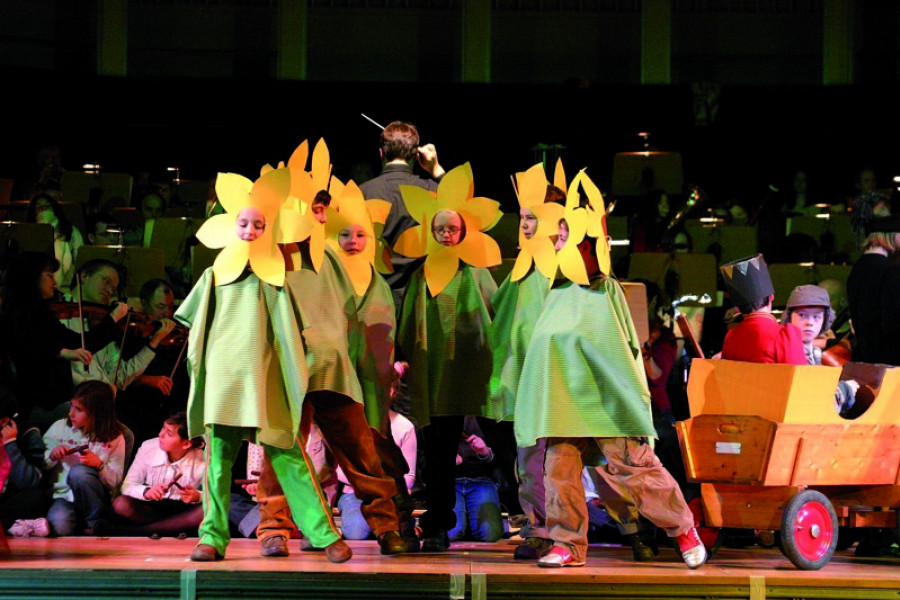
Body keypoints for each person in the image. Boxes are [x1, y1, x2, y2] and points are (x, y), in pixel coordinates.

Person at [514, 172, 706, 570]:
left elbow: (621, 351)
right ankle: (567, 543)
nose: (558, 243)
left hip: (602, 399)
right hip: (564, 402)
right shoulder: (555, 290)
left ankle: (683, 527)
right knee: (558, 469)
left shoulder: (605, 290)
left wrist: (628, 397)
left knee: (631, 466)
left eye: (566, 237)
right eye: (557, 236)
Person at [175, 167, 350, 563]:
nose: (251, 230)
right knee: (217, 462)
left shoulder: (274, 279)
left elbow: (288, 338)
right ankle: (212, 536)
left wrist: (291, 383)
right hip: (224, 383)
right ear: (231, 226)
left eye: (259, 225)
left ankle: (324, 535)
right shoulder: (214, 275)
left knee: (288, 454)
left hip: (263, 383)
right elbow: (195, 328)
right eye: (244, 223)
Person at [255, 145, 409, 558]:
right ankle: (273, 527)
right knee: (283, 450)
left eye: (324, 208)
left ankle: (386, 525)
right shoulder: (272, 258)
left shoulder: (333, 259)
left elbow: (352, 316)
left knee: (361, 451)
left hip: (333, 370)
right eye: (312, 207)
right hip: (289, 370)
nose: (320, 216)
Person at [396, 164, 502, 552]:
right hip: (438, 378)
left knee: (502, 440)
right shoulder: (423, 273)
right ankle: (438, 524)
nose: (445, 234)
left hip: (474, 373)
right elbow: (409, 325)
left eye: (451, 228)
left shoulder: (476, 271)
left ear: (463, 232)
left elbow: (498, 311)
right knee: (438, 452)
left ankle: (534, 517)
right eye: (439, 229)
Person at [487, 163, 564, 561]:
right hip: (531, 385)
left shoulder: (570, 271)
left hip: (566, 383)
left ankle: (635, 525)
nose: (527, 226)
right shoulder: (521, 271)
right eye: (524, 219)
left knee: (583, 465)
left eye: (534, 219)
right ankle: (539, 529)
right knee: (531, 461)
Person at [0, 252, 127, 429]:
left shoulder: (43, 313)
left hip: (60, 397)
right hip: (39, 402)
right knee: (114, 430)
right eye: (49, 276)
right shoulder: (17, 315)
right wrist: (62, 352)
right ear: (31, 277)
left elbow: (78, 342)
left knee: (121, 430)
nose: (55, 283)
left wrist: (112, 320)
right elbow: (27, 347)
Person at [359, 120, 445, 313]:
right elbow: (466, 217)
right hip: (421, 304)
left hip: (374, 302)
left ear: (381, 153)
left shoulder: (361, 194)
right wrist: (436, 170)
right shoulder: (433, 191)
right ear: (417, 155)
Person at [43, 381, 126, 536]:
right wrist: (52, 456)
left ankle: (96, 523)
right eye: (71, 406)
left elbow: (115, 481)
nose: (71, 413)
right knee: (60, 527)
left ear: (96, 413)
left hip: (96, 499)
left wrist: (99, 465)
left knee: (80, 472)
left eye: (78, 409)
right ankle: (83, 524)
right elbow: (40, 465)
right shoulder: (59, 428)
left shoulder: (115, 437)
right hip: (64, 497)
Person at [109, 411, 205, 536]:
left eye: (169, 434)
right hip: (152, 507)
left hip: (183, 509)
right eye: (163, 429)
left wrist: (197, 496)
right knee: (121, 504)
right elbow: (127, 486)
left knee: (206, 511)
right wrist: (147, 492)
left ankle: (138, 532)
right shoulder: (148, 447)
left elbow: (213, 495)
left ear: (186, 443)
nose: (160, 434)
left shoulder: (201, 459)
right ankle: (171, 529)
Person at [780, 285, 858, 416]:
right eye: (802, 315)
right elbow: (813, 404)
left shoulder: (815, 352)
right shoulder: (787, 349)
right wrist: (846, 390)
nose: (809, 322)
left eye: (816, 317)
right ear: (789, 316)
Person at [719, 254, 806, 365]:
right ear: (771, 297)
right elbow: (800, 379)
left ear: (737, 307)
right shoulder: (786, 336)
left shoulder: (731, 338)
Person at [847, 214, 900, 366]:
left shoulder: (858, 269)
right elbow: (893, 324)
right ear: (890, 235)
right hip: (892, 363)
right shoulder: (892, 270)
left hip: (866, 359)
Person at [0, 386, 50, 537]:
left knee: (37, 498)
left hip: (9, 499)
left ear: (4, 420)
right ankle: (11, 524)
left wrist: (10, 445)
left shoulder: (28, 434)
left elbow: (30, 482)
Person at [449, 416, 504, 542]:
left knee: (490, 534)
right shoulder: (442, 414)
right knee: (452, 532)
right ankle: (465, 523)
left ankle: (467, 522)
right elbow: (423, 455)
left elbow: (504, 459)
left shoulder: (488, 416)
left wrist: (485, 452)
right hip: (450, 481)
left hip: (482, 479)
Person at [26, 193, 84, 293]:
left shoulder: (72, 232)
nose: (43, 209)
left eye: (47, 206)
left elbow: (79, 260)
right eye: (39, 207)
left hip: (65, 289)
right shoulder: (28, 234)